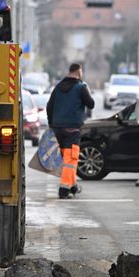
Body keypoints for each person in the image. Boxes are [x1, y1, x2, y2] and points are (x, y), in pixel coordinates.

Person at [46, 63, 95, 199]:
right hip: (72, 129)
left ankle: (72, 186)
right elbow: (91, 104)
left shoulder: (57, 87)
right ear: (79, 72)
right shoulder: (81, 87)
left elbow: (49, 106)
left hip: (57, 129)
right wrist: (87, 91)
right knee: (70, 160)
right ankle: (64, 190)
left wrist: (52, 124)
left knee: (66, 161)